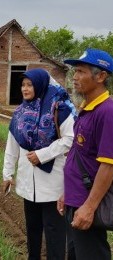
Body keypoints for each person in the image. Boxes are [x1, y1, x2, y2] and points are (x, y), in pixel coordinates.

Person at [2, 68, 76, 259]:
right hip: (28, 183)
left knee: (55, 234)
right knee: (32, 231)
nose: (25, 89)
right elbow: (12, 145)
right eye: (23, 85)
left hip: (53, 184)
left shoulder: (59, 109)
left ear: (41, 85)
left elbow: (70, 139)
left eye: (30, 85)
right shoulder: (20, 112)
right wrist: (7, 174)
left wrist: (42, 155)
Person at [59, 48, 113, 259]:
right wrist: (67, 193)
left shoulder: (107, 112)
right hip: (75, 201)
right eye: (75, 71)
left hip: (87, 207)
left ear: (101, 76)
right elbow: (80, 155)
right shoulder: (87, 109)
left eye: (81, 71)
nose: (75, 77)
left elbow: (108, 165)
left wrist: (89, 207)